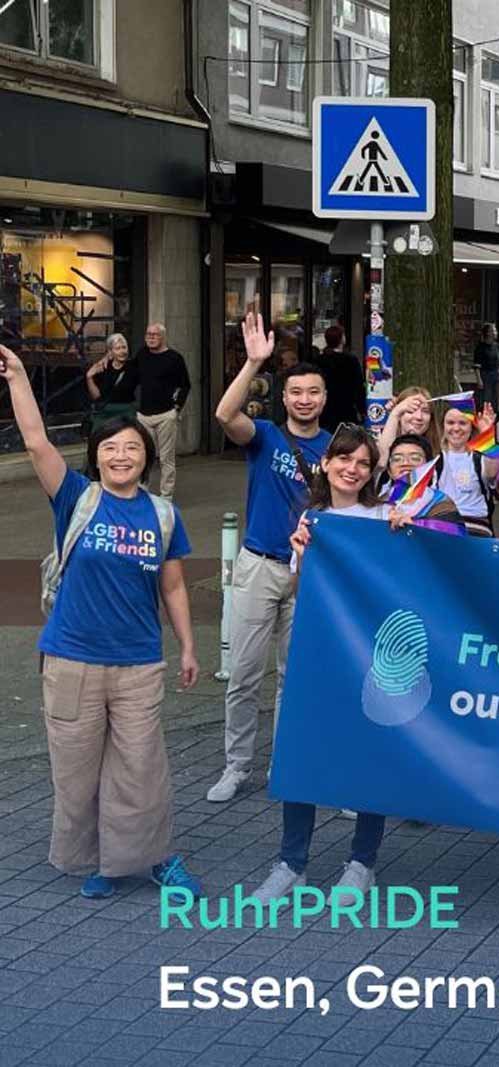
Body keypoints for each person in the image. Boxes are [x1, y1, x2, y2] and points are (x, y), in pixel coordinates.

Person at [3, 344, 202, 900]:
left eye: (132, 447)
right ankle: (95, 859)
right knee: (76, 768)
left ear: (147, 456)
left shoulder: (163, 514)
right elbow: (38, 443)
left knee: (141, 768)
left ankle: (153, 856)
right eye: (110, 448)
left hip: (138, 661)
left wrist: (188, 647)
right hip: (70, 658)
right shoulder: (77, 499)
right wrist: (19, 376)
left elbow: (174, 585)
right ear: (96, 456)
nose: (121, 456)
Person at [249, 425, 398, 903]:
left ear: (372, 471)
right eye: (343, 459)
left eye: (362, 462)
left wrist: (406, 530)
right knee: (304, 752)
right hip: (321, 651)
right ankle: (292, 863)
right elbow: (302, 593)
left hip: (371, 655)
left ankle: (362, 862)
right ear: (327, 464)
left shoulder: (383, 515)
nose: (352, 469)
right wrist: (300, 555)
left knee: (370, 754)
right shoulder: (313, 519)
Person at [206, 312, 332, 804]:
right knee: (243, 674)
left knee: (292, 677)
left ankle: (285, 765)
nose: (305, 400)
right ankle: (236, 765)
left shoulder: (337, 448)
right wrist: (254, 361)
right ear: (283, 398)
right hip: (258, 564)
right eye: (296, 392)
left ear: (324, 398)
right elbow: (222, 415)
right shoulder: (265, 437)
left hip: (308, 573)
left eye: (313, 393)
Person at [132, 322, 190, 498]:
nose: (150, 338)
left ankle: (166, 497)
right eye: (148, 334)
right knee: (143, 456)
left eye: (154, 335)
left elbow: (185, 385)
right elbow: (130, 377)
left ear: (163, 337)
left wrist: (176, 408)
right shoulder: (141, 355)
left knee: (166, 459)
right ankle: (141, 493)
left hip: (166, 415)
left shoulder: (174, 358)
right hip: (143, 415)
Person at [438, 405, 499, 537]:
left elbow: (492, 473)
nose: (456, 428)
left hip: (476, 527)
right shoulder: (434, 456)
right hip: (442, 525)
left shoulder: (480, 457)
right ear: (443, 426)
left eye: (462, 423)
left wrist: (487, 432)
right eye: (450, 423)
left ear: (471, 427)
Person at [312, 324, 366, 432]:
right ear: (342, 339)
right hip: (346, 406)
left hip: (325, 408)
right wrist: (362, 409)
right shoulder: (350, 360)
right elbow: (358, 386)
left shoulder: (319, 361)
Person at [84, 333, 140, 430]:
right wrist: (89, 377)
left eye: (124, 347)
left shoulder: (134, 367)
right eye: (117, 349)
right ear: (110, 352)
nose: (122, 351)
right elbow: (96, 396)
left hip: (126, 412)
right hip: (105, 412)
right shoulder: (103, 367)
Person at [473, 323, 499, 408]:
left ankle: (495, 414)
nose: (496, 332)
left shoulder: (498, 347)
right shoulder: (480, 347)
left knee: (496, 399)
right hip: (486, 375)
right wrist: (479, 380)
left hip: (496, 375)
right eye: (494, 330)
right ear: (488, 333)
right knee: (486, 399)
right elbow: (476, 366)